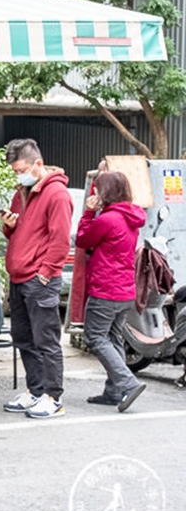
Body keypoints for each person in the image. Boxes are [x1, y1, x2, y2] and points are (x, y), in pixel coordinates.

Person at [1, 138, 72, 420]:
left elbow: (60, 240)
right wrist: (9, 227)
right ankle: (35, 390)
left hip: (38, 279)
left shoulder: (57, 194)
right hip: (19, 277)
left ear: (38, 164)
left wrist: (45, 273)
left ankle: (52, 397)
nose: (18, 175)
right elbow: (19, 232)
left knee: (46, 340)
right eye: (16, 171)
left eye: (21, 169)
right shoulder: (22, 191)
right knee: (24, 338)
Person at [75, 171, 147, 411]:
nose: (94, 193)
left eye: (97, 189)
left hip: (105, 289)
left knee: (95, 337)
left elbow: (83, 240)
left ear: (105, 192)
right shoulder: (132, 216)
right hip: (125, 289)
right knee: (114, 338)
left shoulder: (108, 219)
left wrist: (87, 212)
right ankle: (114, 391)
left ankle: (128, 383)